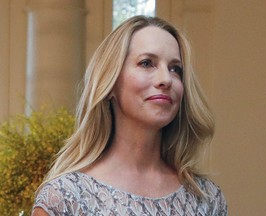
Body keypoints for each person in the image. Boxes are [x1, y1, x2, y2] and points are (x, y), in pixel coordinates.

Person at [32, 15, 227, 215]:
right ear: (110, 83)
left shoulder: (206, 199)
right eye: (146, 63)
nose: (165, 79)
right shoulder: (65, 197)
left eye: (175, 68)